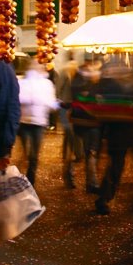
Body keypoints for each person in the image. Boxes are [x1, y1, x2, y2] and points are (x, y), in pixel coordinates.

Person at [93, 60, 133, 215]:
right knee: (115, 167)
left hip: (115, 133)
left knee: (115, 166)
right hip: (119, 133)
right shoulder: (117, 87)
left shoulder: (109, 86)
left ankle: (104, 196)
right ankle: (103, 198)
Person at [16, 59, 60, 184]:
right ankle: (22, 175)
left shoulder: (47, 83)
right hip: (24, 122)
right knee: (27, 153)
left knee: (34, 155)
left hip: (38, 123)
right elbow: (19, 98)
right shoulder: (23, 82)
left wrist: (54, 104)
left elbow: (51, 103)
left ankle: (30, 179)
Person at [70, 59, 104, 193]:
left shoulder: (76, 81)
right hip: (90, 122)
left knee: (85, 152)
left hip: (80, 122)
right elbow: (91, 100)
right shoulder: (89, 83)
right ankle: (91, 183)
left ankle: (87, 181)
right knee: (90, 152)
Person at [56, 61, 80, 189]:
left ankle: (68, 156)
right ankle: (68, 168)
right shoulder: (65, 72)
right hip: (65, 107)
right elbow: (58, 89)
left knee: (70, 135)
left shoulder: (75, 73)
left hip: (73, 108)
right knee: (70, 134)